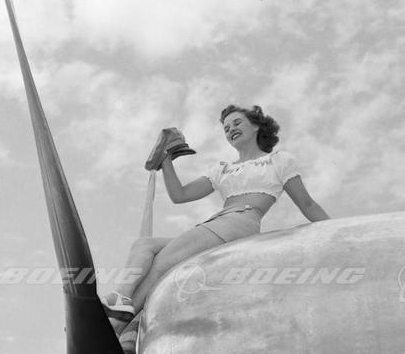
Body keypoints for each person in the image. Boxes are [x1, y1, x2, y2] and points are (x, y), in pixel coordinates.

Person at [104, 105, 330, 329]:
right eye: (226, 128)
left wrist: (335, 233)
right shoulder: (222, 169)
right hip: (216, 223)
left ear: (256, 126)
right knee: (144, 245)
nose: (231, 129)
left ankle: (116, 323)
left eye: (237, 123)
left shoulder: (279, 160)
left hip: (239, 222)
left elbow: (308, 204)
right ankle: (121, 298)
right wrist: (166, 161)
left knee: (161, 264)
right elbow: (180, 195)